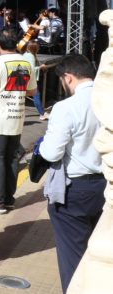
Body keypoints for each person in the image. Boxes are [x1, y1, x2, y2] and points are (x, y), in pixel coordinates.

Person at [39, 54, 104, 292]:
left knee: (73, 258)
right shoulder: (108, 100)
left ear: (68, 77)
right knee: (99, 253)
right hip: (106, 185)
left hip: (74, 190)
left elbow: (52, 153)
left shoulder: (66, 107)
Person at [0, 30, 37, 214]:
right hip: (16, 117)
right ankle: (8, 199)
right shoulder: (25, 62)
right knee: (11, 159)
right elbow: (32, 92)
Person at [21, 40, 47, 120]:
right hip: (29, 80)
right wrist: (40, 67)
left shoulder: (26, 54)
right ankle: (42, 114)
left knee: (22, 96)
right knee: (36, 95)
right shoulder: (30, 56)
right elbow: (31, 69)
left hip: (23, 78)